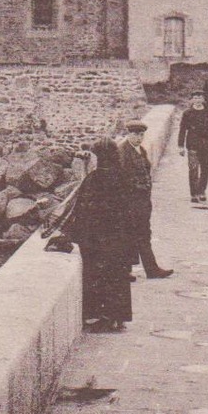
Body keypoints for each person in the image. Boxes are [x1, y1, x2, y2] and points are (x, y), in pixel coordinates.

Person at [60, 137, 135, 331]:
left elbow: (85, 209)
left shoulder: (97, 178)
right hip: (120, 236)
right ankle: (118, 317)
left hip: (100, 238)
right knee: (118, 276)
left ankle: (105, 318)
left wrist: (73, 235)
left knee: (102, 276)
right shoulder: (122, 175)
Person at [117, 121, 173, 279]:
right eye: (135, 134)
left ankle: (148, 269)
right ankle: (128, 270)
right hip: (130, 202)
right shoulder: (123, 151)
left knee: (142, 234)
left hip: (141, 202)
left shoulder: (140, 150)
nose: (138, 137)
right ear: (128, 134)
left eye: (141, 135)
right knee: (130, 235)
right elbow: (122, 178)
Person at [177, 91, 208, 203]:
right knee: (193, 169)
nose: (197, 100)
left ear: (203, 99)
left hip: (207, 144)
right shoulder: (187, 113)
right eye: (195, 98)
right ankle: (194, 193)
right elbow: (182, 130)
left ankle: (202, 191)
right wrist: (180, 146)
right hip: (193, 144)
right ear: (192, 100)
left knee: (205, 168)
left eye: (200, 98)